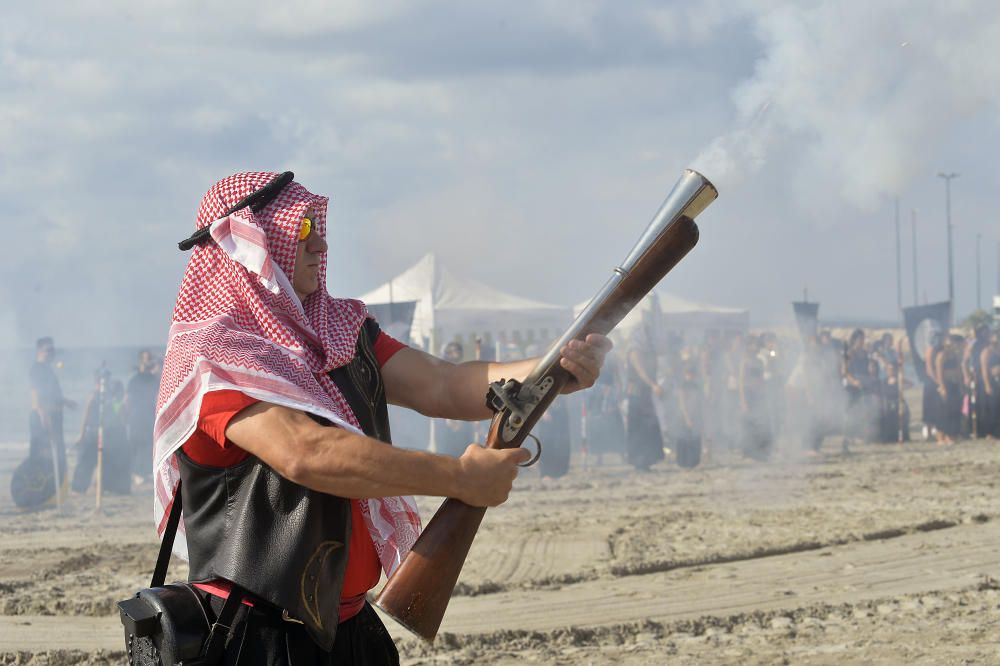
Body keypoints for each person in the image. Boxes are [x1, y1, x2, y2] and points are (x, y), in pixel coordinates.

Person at [152, 171, 611, 663]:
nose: (320, 242)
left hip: (350, 627)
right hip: (257, 637)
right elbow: (308, 453)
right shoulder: (212, 356)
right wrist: (459, 477)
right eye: (302, 229)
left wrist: (553, 370)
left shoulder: (340, 330)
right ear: (249, 244)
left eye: (316, 225)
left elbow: (444, 384)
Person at [28, 337, 75, 497]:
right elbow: (35, 392)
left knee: (57, 451)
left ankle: (55, 488)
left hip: (54, 414)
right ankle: (39, 490)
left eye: (53, 350)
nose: (52, 353)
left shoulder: (47, 369)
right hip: (44, 416)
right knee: (42, 453)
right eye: (49, 350)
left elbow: (52, 393)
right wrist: (42, 414)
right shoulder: (37, 369)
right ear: (40, 351)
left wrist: (66, 402)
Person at [71, 374, 131, 495]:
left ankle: (105, 487)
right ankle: (79, 488)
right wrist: (82, 434)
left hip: (107, 434)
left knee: (107, 462)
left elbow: (122, 418)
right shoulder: (93, 397)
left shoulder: (112, 398)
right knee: (86, 461)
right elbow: (86, 416)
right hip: (92, 432)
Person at [624, 323, 664, 471]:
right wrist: (653, 385)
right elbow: (641, 371)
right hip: (637, 394)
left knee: (649, 427)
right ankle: (639, 461)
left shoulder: (646, 350)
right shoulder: (634, 350)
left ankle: (647, 460)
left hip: (644, 394)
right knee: (640, 428)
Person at [435, 342, 475, 457]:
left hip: (463, 416)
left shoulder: (464, 370)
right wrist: (449, 418)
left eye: (457, 351)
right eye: (452, 351)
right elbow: (440, 395)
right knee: (447, 450)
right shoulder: (441, 371)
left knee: (464, 450)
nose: (455, 354)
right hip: (445, 417)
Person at [125, 349, 159, 485]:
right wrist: (127, 417)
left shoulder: (154, 380)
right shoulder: (134, 380)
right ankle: (136, 473)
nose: (149, 361)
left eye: (150, 358)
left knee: (149, 444)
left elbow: (158, 397)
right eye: (146, 358)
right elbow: (127, 400)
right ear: (141, 361)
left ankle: (145, 472)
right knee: (136, 443)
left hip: (150, 416)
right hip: (136, 416)